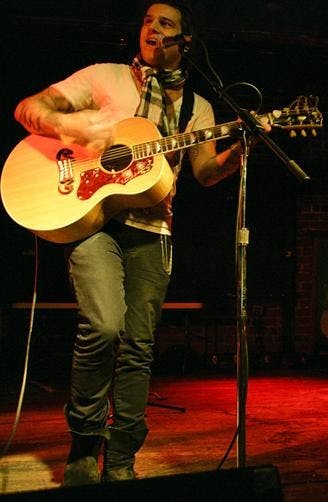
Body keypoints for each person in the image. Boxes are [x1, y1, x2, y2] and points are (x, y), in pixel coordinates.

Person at [13, 2, 264, 485]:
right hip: (90, 219)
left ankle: (123, 454)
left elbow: (206, 173)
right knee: (104, 327)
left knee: (139, 346)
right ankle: (85, 442)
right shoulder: (104, 77)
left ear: (184, 42)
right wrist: (71, 125)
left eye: (165, 24)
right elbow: (29, 108)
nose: (152, 29)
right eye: (148, 20)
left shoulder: (198, 108)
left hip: (154, 230)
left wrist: (242, 147)